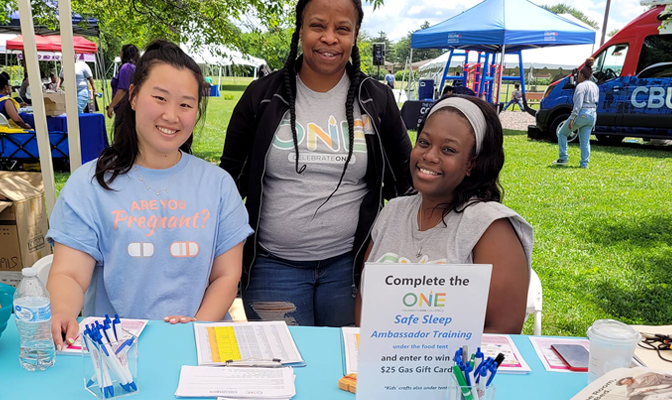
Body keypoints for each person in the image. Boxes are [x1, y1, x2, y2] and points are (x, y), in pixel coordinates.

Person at [47, 40, 253, 350]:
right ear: (132, 97)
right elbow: (69, 274)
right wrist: (63, 311)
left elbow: (226, 276)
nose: (172, 115)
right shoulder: (89, 185)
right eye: (159, 98)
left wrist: (197, 327)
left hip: (202, 344)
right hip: (117, 350)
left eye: (185, 104)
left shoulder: (219, 185)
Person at [219, 0, 412, 327]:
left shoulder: (375, 99)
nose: (329, 38)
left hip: (351, 269)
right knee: (285, 366)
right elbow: (228, 184)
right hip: (272, 269)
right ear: (301, 30)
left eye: (342, 28)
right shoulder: (262, 96)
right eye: (318, 25)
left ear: (355, 36)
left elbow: (405, 183)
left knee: (346, 366)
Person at [356, 94, 534, 334]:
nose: (429, 156)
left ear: (472, 163)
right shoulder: (393, 212)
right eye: (424, 143)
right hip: (380, 364)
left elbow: (503, 330)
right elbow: (364, 302)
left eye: (448, 149)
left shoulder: (489, 227)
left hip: (451, 370)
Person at [555, 57, 599, 168]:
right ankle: (584, 164)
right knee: (585, 141)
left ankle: (563, 158)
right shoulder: (595, 86)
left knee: (562, 133)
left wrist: (572, 118)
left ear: (582, 76)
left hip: (582, 113)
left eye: (579, 75)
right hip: (592, 115)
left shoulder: (580, 86)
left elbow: (578, 104)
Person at [107, 44, 139, 119]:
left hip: (124, 107)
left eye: (121, 52)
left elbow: (123, 89)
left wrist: (112, 106)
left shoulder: (127, 67)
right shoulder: (135, 67)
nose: (120, 55)